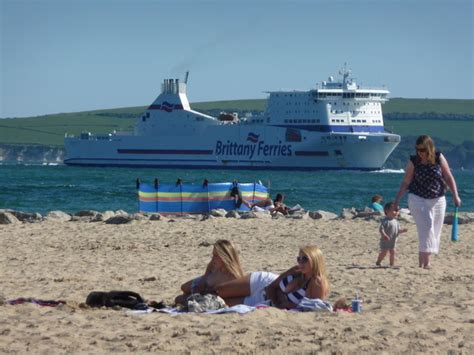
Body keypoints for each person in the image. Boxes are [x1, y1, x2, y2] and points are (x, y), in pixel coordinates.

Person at [394, 135, 461, 269]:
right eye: (418, 150)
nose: (420, 152)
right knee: (427, 227)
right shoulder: (414, 161)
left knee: (435, 231)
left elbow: (448, 176)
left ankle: (422, 261)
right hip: (417, 198)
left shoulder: (438, 158)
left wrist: (455, 195)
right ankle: (427, 262)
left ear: (429, 148)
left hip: (438, 199)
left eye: (423, 150)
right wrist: (397, 200)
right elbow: (406, 181)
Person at [213, 245, 330, 309]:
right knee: (218, 291)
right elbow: (271, 286)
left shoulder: (317, 283)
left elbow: (311, 308)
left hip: (265, 300)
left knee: (220, 303)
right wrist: (279, 302)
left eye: (305, 259)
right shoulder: (296, 271)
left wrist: (279, 303)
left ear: (315, 260)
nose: (300, 262)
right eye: (299, 258)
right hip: (263, 283)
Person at [174, 240, 244, 305]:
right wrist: (205, 279)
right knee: (184, 288)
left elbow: (226, 296)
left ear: (225, 257)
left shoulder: (232, 276)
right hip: (205, 285)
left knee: (179, 299)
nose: (213, 258)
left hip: (211, 295)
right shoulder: (215, 266)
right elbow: (206, 274)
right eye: (213, 255)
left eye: (216, 256)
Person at [376, 202, 408, 267]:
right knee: (384, 252)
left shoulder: (396, 221)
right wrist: (384, 235)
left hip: (393, 241)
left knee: (393, 252)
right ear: (387, 211)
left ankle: (392, 264)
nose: (396, 212)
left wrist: (403, 231)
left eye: (397, 211)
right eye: (394, 210)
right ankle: (378, 261)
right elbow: (381, 229)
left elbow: (398, 231)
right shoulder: (385, 221)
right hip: (385, 241)